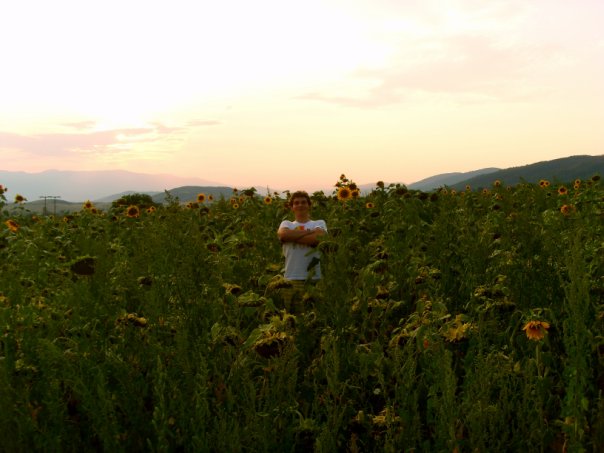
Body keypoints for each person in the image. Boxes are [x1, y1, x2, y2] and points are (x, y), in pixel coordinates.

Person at [276, 191, 327, 311]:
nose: (300, 205)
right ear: (292, 207)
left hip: (314, 278)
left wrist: (292, 236)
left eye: (303, 202)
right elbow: (283, 235)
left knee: (314, 314)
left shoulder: (319, 223)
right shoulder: (286, 223)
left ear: (309, 205)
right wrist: (310, 232)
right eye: (296, 203)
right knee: (292, 315)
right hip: (291, 278)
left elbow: (318, 239)